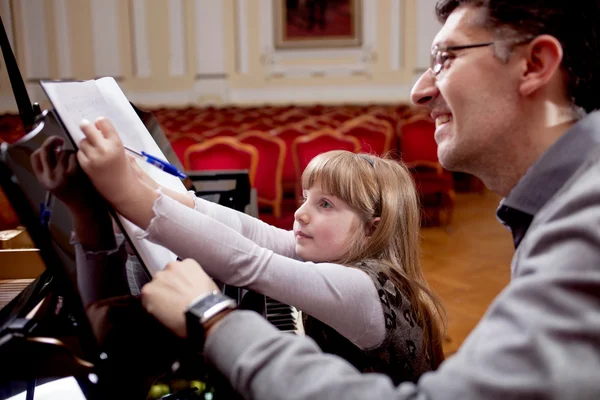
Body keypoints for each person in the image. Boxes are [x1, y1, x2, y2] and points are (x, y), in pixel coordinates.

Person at [123, 0, 600, 398]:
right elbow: (259, 237)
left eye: (446, 58)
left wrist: (213, 317)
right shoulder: (566, 205)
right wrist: (147, 195)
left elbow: (253, 261)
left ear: (534, 65)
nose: (419, 90)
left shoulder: (589, 219)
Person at [74, 117, 447, 384]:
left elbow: (251, 263)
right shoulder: (348, 258)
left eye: (326, 205)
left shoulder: (358, 288)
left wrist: (125, 193)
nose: (300, 213)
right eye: (305, 199)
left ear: (373, 226)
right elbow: (252, 231)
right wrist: (150, 191)